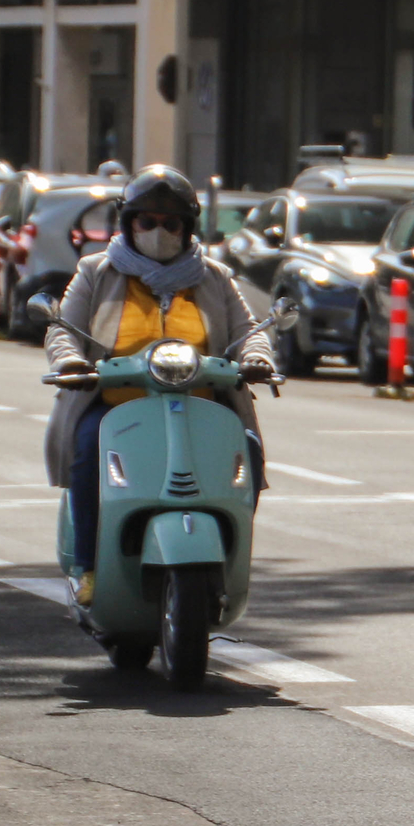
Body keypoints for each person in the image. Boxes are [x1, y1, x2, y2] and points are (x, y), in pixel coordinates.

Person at [45, 167, 277, 608]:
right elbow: (64, 330)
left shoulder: (214, 276)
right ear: (128, 222)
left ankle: (228, 558)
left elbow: (250, 329)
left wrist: (256, 358)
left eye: (171, 224)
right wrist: (71, 361)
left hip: (203, 402)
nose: (158, 232)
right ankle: (89, 565)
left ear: (187, 228)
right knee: (86, 447)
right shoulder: (96, 271)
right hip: (115, 403)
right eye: (146, 222)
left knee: (248, 449)